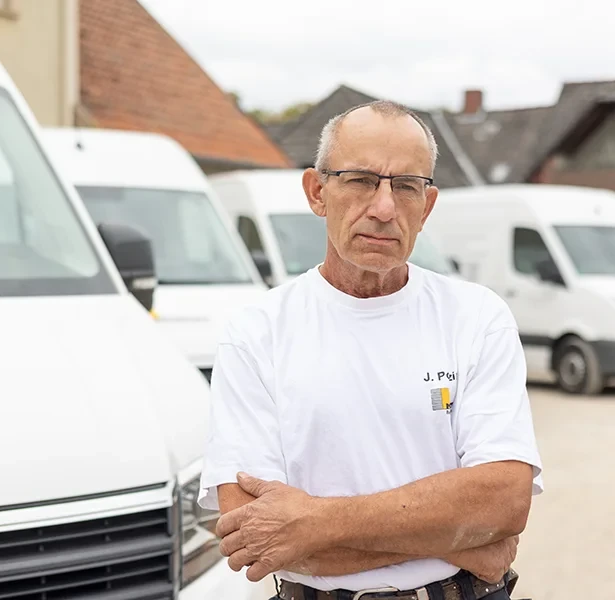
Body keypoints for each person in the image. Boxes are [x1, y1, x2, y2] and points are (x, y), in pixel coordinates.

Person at [197, 99, 543, 600]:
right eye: (360, 180)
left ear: (426, 207)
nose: (383, 208)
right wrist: (464, 542)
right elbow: (253, 534)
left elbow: (504, 501)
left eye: (406, 187)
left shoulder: (476, 318)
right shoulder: (257, 333)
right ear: (317, 192)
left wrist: (311, 522)